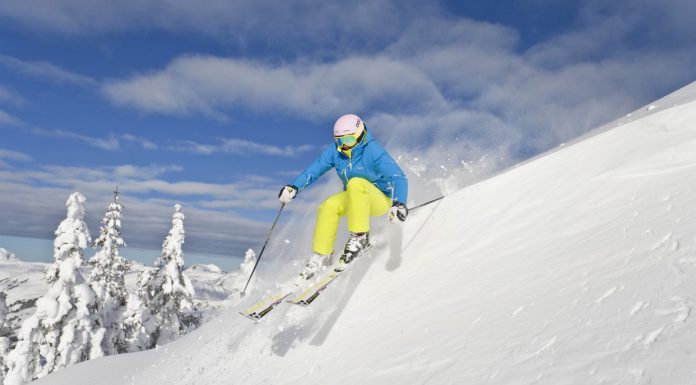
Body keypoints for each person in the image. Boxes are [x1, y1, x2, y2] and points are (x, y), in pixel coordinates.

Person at [278, 114, 409, 283]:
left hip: (380, 199)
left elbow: (399, 176)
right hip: (356, 198)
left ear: (359, 134)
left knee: (355, 183)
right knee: (328, 206)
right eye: (339, 140)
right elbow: (315, 169)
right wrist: (294, 187)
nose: (343, 145)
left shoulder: (373, 150)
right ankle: (322, 255)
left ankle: (360, 237)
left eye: (347, 140)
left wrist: (399, 204)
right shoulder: (336, 151)